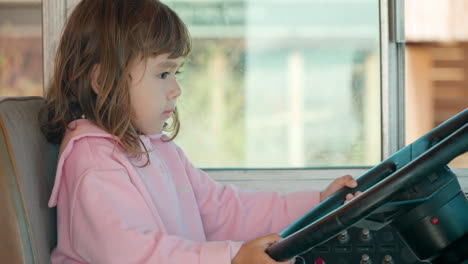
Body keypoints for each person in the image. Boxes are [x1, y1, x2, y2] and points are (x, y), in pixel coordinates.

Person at [41, 0, 360, 263]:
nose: (176, 89)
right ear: (102, 81)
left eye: (176, 73)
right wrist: (232, 258)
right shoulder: (93, 162)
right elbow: (135, 255)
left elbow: (225, 210)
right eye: (163, 73)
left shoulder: (158, 150)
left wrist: (316, 204)